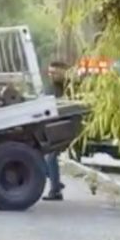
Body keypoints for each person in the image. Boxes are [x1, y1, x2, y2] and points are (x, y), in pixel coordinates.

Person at [43, 60, 69, 201]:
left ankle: (55, 190)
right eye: (50, 73)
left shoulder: (70, 87)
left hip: (65, 126)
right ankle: (56, 184)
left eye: (55, 73)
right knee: (44, 157)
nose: (51, 76)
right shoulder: (51, 87)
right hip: (52, 127)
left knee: (50, 156)